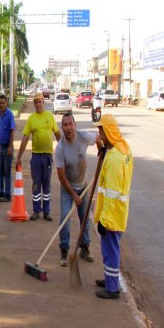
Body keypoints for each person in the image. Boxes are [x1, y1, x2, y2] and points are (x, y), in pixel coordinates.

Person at [55, 112, 103, 267]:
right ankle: (64, 250)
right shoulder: (60, 148)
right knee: (64, 219)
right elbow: (61, 177)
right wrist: (74, 195)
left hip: (83, 185)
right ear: (62, 128)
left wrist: (102, 152)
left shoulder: (84, 136)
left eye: (70, 124)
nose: (68, 128)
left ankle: (85, 248)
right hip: (68, 188)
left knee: (85, 219)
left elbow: (98, 138)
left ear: (74, 125)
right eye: (65, 125)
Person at [93, 114, 133, 299]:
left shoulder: (116, 159)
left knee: (111, 251)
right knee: (109, 250)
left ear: (109, 131)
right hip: (115, 213)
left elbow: (112, 194)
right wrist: (104, 151)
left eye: (101, 131)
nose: (99, 135)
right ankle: (110, 279)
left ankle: (112, 289)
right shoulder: (121, 148)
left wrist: (104, 219)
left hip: (112, 215)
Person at [16, 92, 61, 221]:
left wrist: (64, 150)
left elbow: (58, 135)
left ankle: (46, 211)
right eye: (35, 102)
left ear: (43, 102)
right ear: (34, 104)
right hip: (36, 157)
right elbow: (25, 138)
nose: (38, 104)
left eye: (40, 101)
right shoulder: (31, 119)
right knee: (36, 184)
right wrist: (19, 156)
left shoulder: (50, 117)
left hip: (47, 157)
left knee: (46, 184)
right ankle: (36, 211)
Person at [0, 94, 16, 202]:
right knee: (0, 172)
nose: (2, 105)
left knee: (7, 172)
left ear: (6, 103)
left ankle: (7, 195)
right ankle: (0, 192)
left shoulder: (10, 115)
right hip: (1, 147)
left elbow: (12, 131)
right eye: (0, 103)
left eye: (3, 103)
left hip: (8, 147)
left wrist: (11, 147)